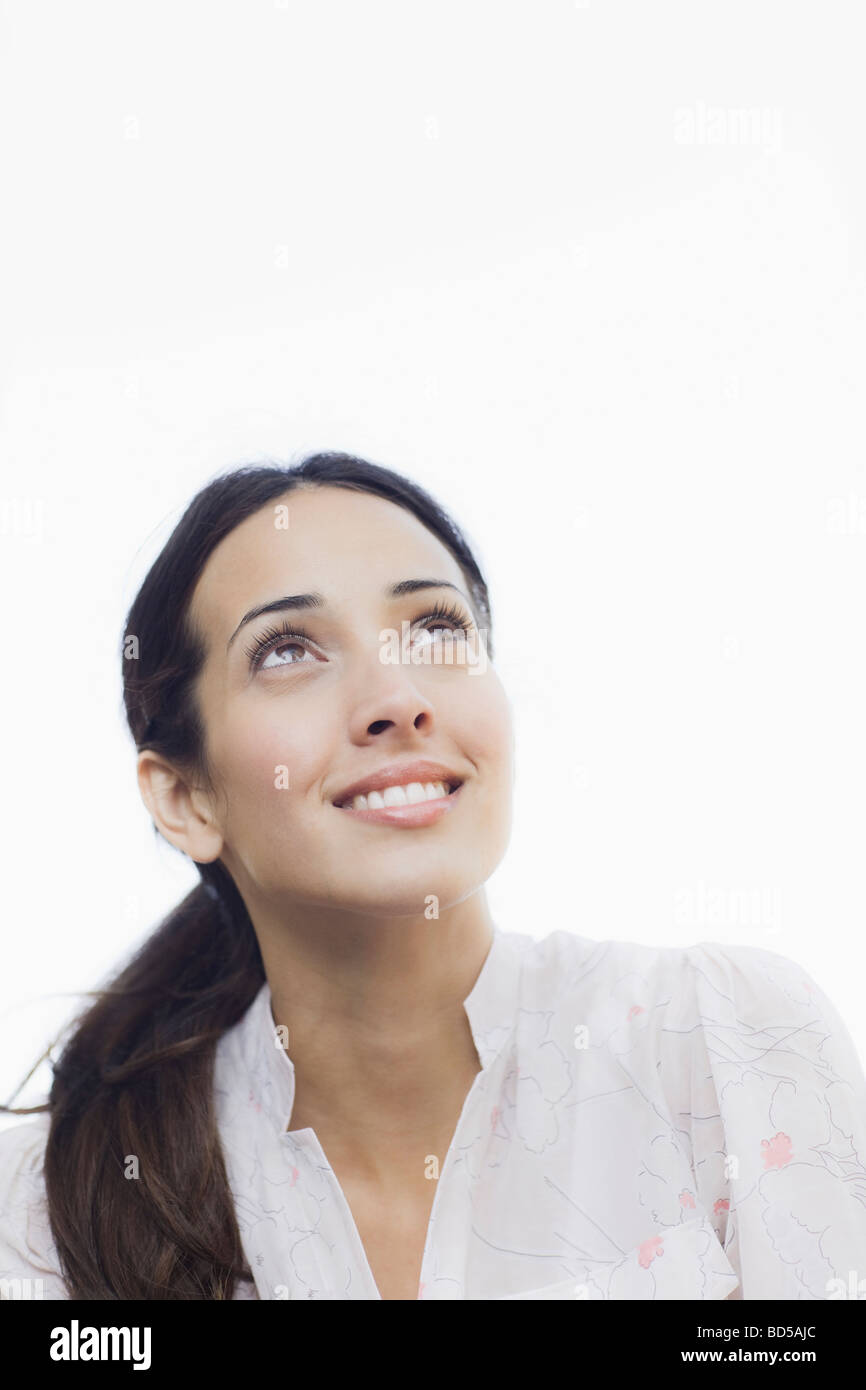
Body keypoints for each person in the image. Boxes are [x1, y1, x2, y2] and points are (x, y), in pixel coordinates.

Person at [2, 450, 865, 1301]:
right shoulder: (48, 1214)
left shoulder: (724, 1045)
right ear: (186, 798)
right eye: (288, 649)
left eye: (436, 629)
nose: (397, 697)